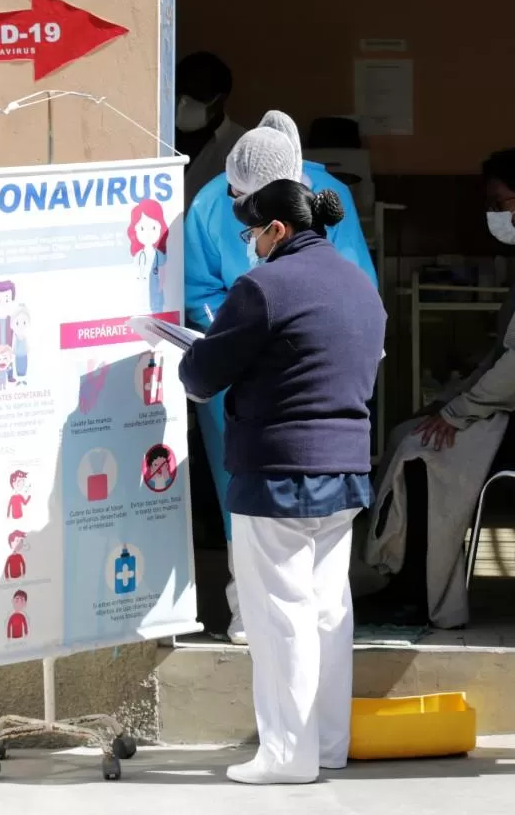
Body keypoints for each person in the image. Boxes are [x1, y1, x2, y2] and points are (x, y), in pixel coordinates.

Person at [178, 180, 385, 786]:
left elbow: (203, 374)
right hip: (345, 473)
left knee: (279, 615)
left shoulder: (262, 288)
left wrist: (195, 356)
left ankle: (285, 756)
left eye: (251, 232)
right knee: (327, 609)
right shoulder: (359, 287)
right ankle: (326, 745)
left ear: (277, 230)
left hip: (276, 474)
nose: (248, 243)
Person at [357, 147, 515, 630]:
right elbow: (504, 353)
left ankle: (421, 597)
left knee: (421, 456)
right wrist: (450, 401)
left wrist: (458, 412)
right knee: (406, 434)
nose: (494, 214)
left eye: (501, 203)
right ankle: (402, 579)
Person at [185, 117, 376, 643]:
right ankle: (249, 607)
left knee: (282, 616)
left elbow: (354, 287)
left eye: (249, 217)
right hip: (311, 409)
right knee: (323, 609)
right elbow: (200, 289)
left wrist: (248, 333)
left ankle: (259, 617)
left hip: (272, 396)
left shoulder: (319, 202)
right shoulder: (209, 204)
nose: (238, 213)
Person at [176, 51, 248, 206]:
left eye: (197, 94)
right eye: (180, 92)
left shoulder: (241, 145)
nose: (184, 101)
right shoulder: (160, 136)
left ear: (220, 99)